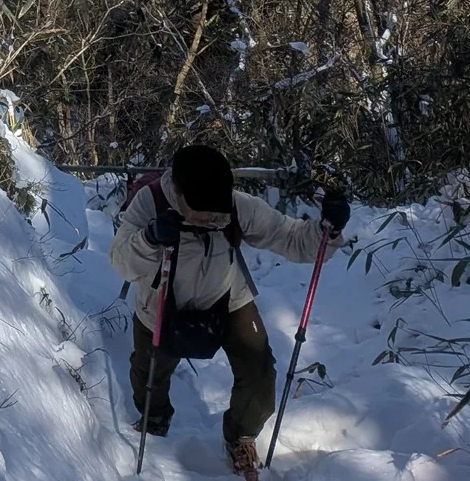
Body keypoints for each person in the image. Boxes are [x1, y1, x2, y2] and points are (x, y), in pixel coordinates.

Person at [109, 143, 350, 477]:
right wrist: (149, 238)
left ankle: (240, 434)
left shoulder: (235, 206)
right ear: (177, 192)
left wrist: (328, 230)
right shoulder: (149, 202)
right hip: (160, 304)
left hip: (227, 300)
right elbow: (120, 261)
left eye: (215, 213)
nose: (211, 219)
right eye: (202, 212)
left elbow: (289, 237)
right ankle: (155, 420)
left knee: (260, 377)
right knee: (148, 375)